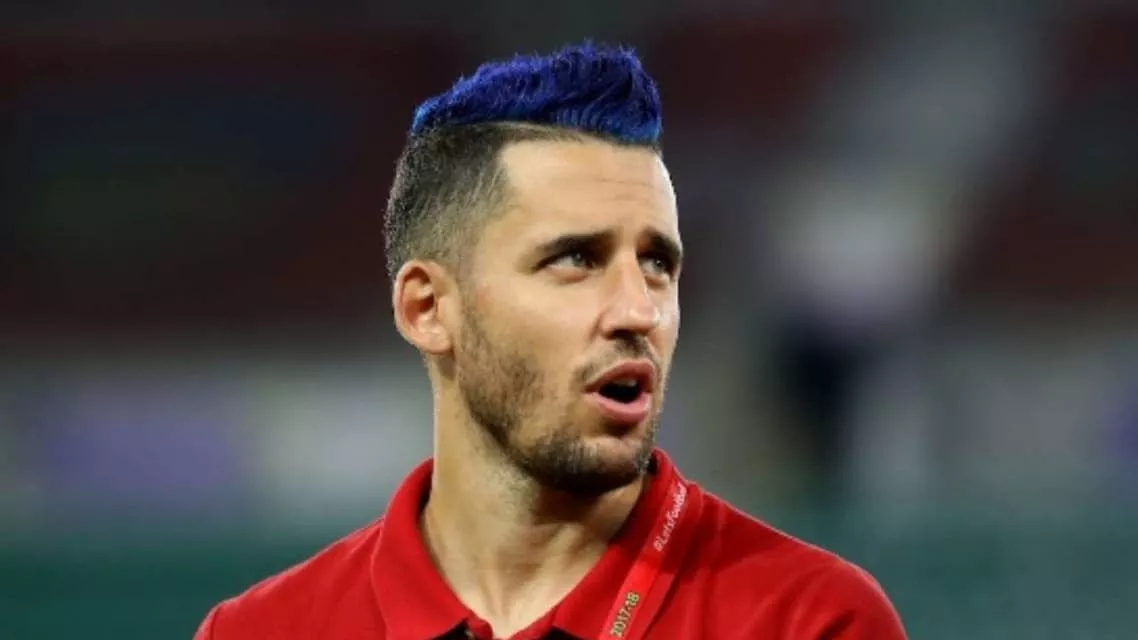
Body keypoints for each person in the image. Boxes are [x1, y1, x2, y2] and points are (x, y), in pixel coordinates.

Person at [193, 42, 907, 640]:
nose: (639, 310)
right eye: (576, 259)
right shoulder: (261, 632)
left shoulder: (808, 620)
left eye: (657, 264)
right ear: (427, 308)